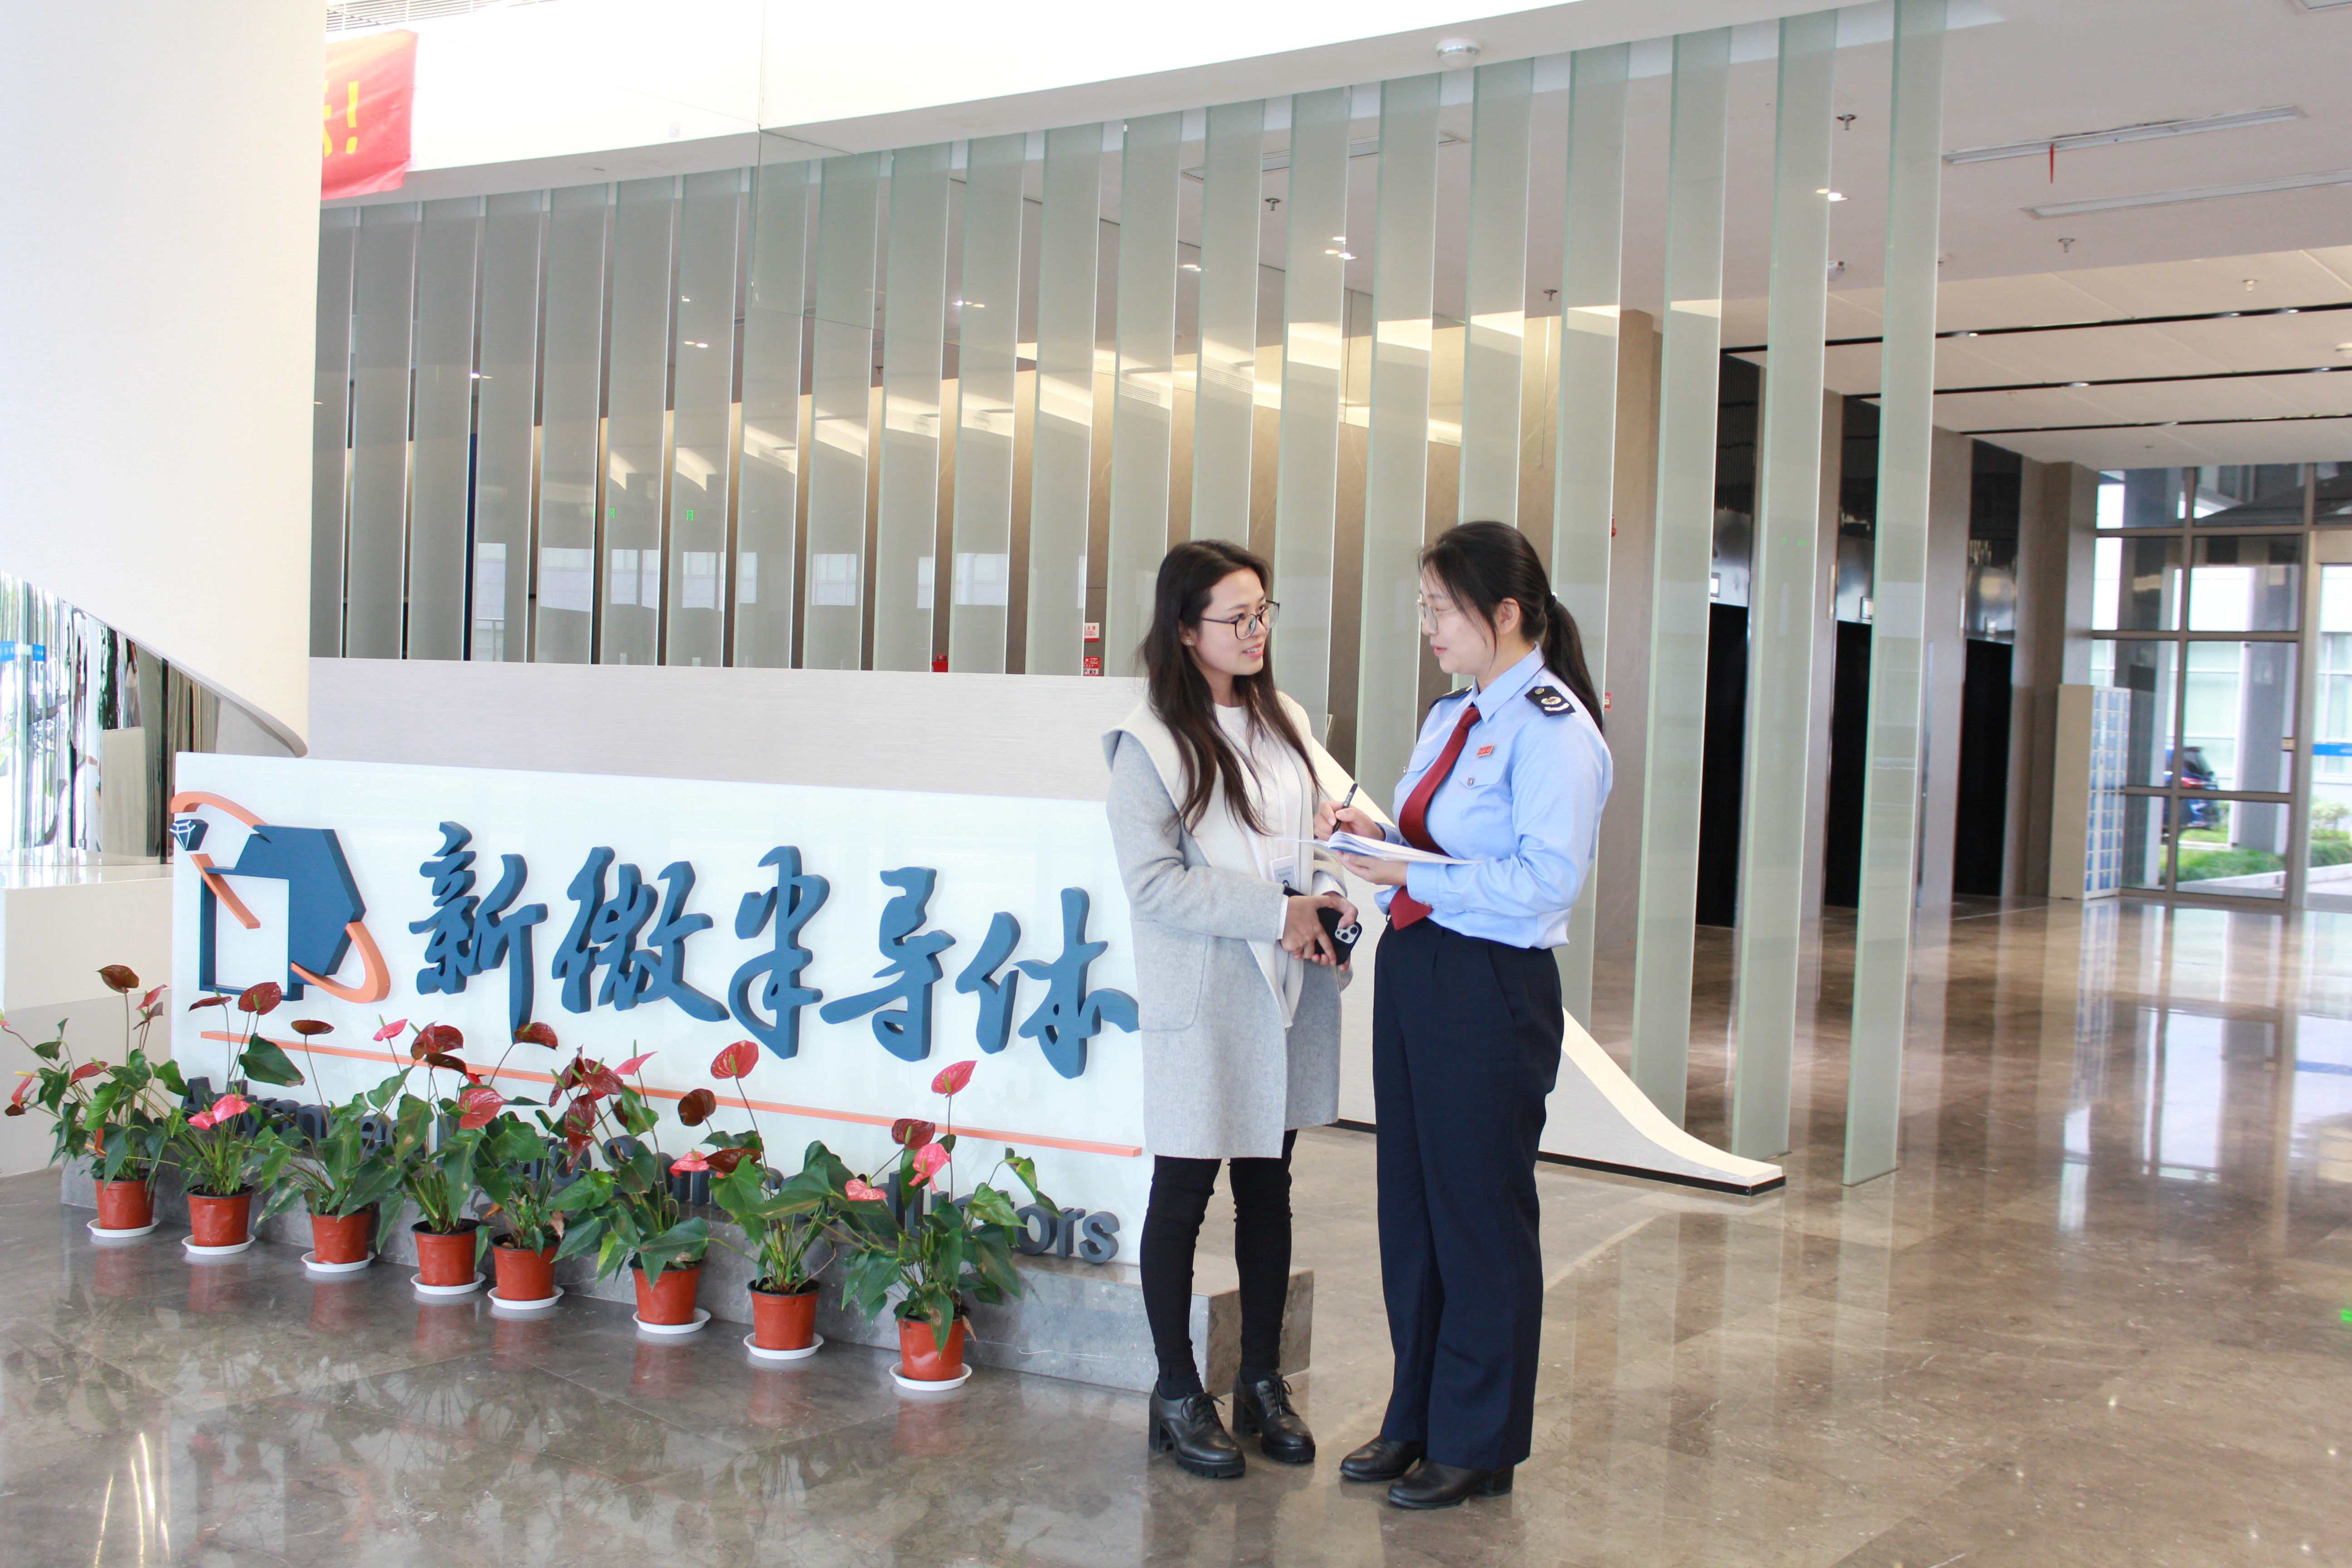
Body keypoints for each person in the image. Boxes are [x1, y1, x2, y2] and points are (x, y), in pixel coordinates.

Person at [1318, 520, 1612, 1510]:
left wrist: (1412, 875)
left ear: (1507, 613)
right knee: (1413, 1206)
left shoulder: (1555, 729)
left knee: (1480, 1214)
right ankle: (1417, 1415)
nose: (1430, 628)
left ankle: (1478, 1440)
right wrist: (1376, 837)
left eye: (1443, 609)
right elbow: (1438, 840)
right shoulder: (1455, 714)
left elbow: (1542, 883)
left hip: (1491, 982)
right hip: (1420, 966)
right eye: (1426, 609)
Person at [1103, 539, 1363, 1480]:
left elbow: (1329, 834)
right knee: (1182, 1192)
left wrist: (1328, 905)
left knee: (1268, 1185)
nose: (1256, 633)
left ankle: (1260, 1381)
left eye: (1263, 614)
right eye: (1236, 618)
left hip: (1286, 985)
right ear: (1185, 630)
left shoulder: (1285, 721)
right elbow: (1154, 885)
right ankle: (1178, 1392)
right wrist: (1277, 911)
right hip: (1208, 991)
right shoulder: (1150, 744)